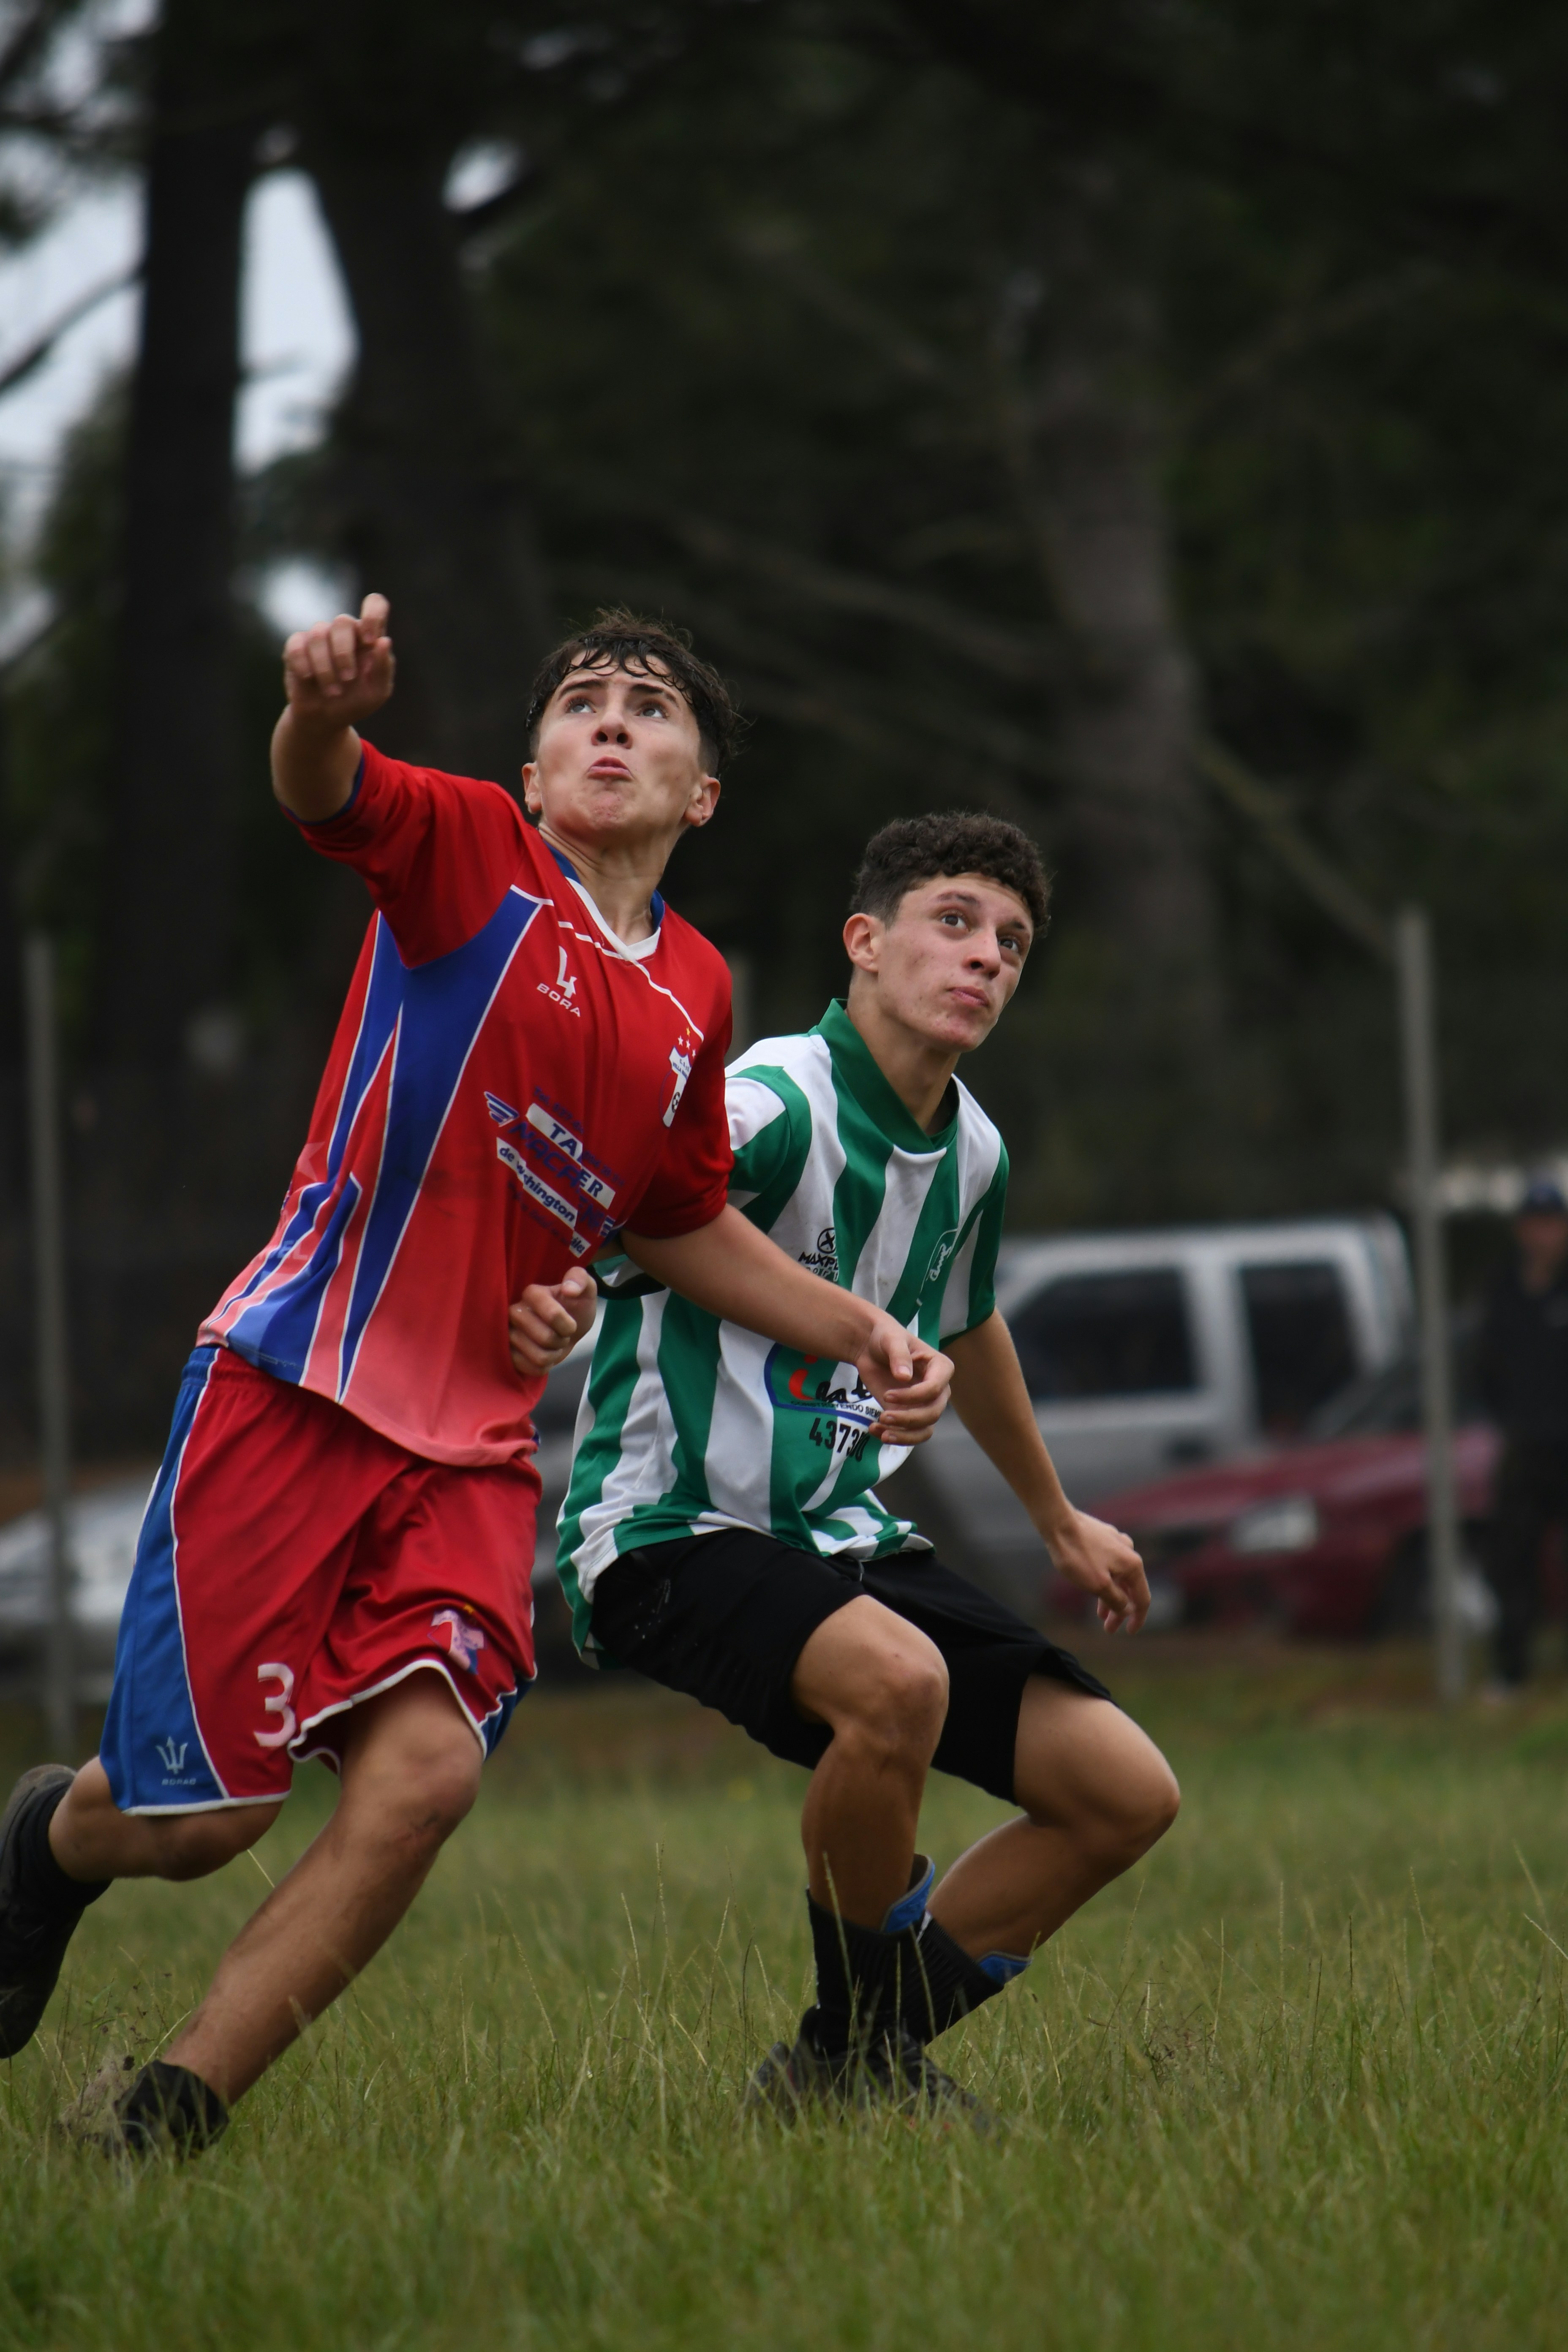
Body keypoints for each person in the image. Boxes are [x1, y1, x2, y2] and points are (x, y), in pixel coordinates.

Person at [0, 599, 950, 2153]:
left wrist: (856, 1327)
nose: (612, 719)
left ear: (701, 792)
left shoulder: (695, 990)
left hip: (469, 1452)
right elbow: (323, 788)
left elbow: (679, 1216)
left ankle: (162, 2122)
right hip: (296, 1384)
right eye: (582, 700)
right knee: (198, 1824)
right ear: (530, 766)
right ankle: (53, 1837)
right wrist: (317, 706)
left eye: (651, 706)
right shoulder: (473, 856)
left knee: (428, 1777)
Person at [554, 811, 1180, 2124]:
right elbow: (632, 1207)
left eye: (1010, 942)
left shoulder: (976, 1149)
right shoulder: (770, 1097)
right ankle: (852, 2058)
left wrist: (1056, 1517)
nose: (985, 959)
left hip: (838, 1537)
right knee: (898, 1681)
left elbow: (967, 1314)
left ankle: (846, 2065)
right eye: (953, 921)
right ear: (865, 942)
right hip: (666, 1526)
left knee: (1123, 1792)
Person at [1477, 1176, 1568, 1691]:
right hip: (1524, 1449)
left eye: (1552, 1223)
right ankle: (1510, 1670)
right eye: (1535, 1224)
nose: (1543, 1235)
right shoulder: (1503, 1288)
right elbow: (1486, 1367)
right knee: (1510, 1558)